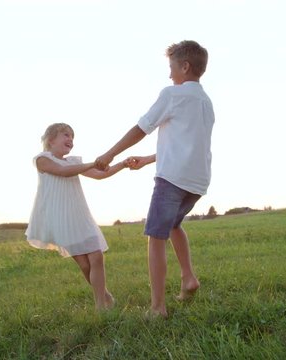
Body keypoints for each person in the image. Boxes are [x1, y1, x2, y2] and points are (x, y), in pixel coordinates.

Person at [95, 40, 215, 318]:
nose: (169, 74)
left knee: (156, 236)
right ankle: (188, 278)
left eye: (172, 67)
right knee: (174, 225)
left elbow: (142, 128)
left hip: (171, 180)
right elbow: (185, 144)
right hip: (197, 182)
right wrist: (149, 159)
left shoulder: (173, 94)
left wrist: (110, 153)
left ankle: (157, 307)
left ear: (184, 66)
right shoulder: (205, 102)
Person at [25, 122, 129, 311]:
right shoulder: (42, 159)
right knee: (85, 264)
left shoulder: (74, 162)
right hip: (60, 219)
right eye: (66, 135)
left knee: (96, 256)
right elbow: (63, 172)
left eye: (72, 137)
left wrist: (122, 164)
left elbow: (99, 175)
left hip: (80, 215)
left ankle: (101, 306)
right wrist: (94, 163)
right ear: (50, 140)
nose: (70, 139)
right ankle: (106, 297)